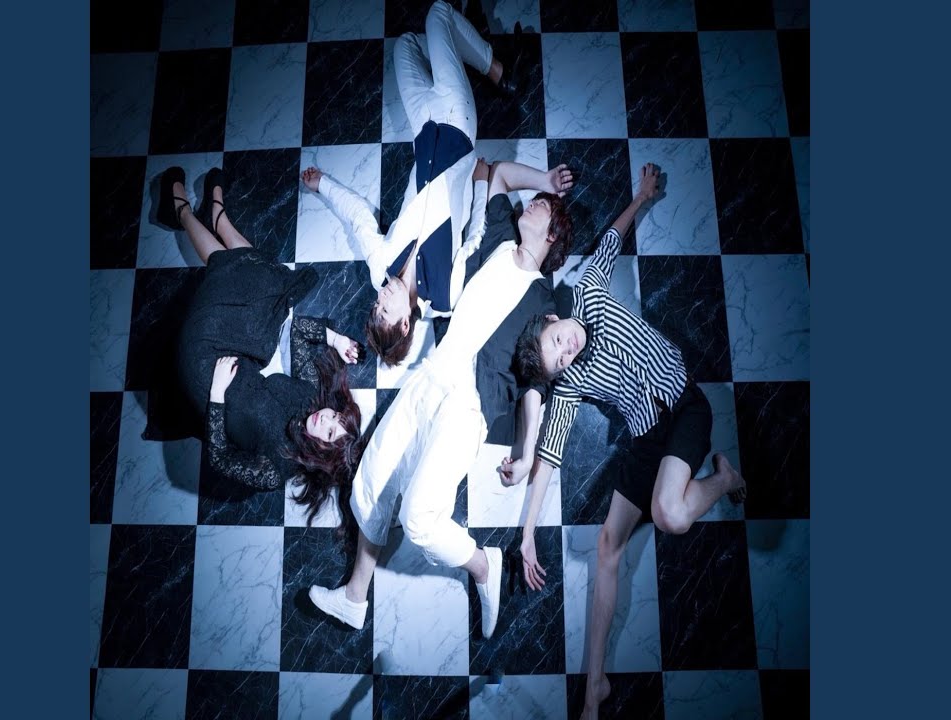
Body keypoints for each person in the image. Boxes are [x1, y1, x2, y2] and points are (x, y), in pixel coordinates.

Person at [504, 163, 748, 719]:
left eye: (556, 341)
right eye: (558, 360)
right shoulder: (569, 385)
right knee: (606, 548)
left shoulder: (588, 292)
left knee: (670, 515)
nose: (566, 351)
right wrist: (526, 533)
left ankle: (725, 478)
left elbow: (610, 240)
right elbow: (548, 457)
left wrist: (641, 197)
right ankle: (595, 685)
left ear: (553, 318)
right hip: (645, 440)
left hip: (683, 408)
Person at [306, 156, 576, 641]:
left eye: (541, 206)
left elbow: (536, 386)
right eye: (534, 200)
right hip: (433, 374)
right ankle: (354, 599)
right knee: (371, 480)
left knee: (419, 518)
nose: (531, 203)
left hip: (468, 405)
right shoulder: (501, 238)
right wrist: (546, 181)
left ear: (552, 234)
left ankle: (484, 566)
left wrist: (526, 452)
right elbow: (499, 174)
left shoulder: (544, 303)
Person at [301, 0, 554, 368]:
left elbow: (358, 219)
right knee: (438, 13)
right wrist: (480, 183)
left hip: (424, 128)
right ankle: (499, 71)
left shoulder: (380, 268)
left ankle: (461, 47)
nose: (381, 298)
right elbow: (474, 239)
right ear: (405, 324)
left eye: (376, 305)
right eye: (385, 310)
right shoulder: (444, 295)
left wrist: (323, 184)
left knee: (405, 45)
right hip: (457, 124)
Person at [158, 165, 365, 519]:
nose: (325, 418)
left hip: (206, 373)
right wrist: (336, 339)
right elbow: (298, 332)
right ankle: (215, 217)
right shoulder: (309, 400)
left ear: (322, 457)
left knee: (238, 274)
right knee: (263, 279)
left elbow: (220, 458)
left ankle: (185, 212)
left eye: (330, 431)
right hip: (238, 353)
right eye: (335, 416)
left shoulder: (275, 469)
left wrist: (217, 395)